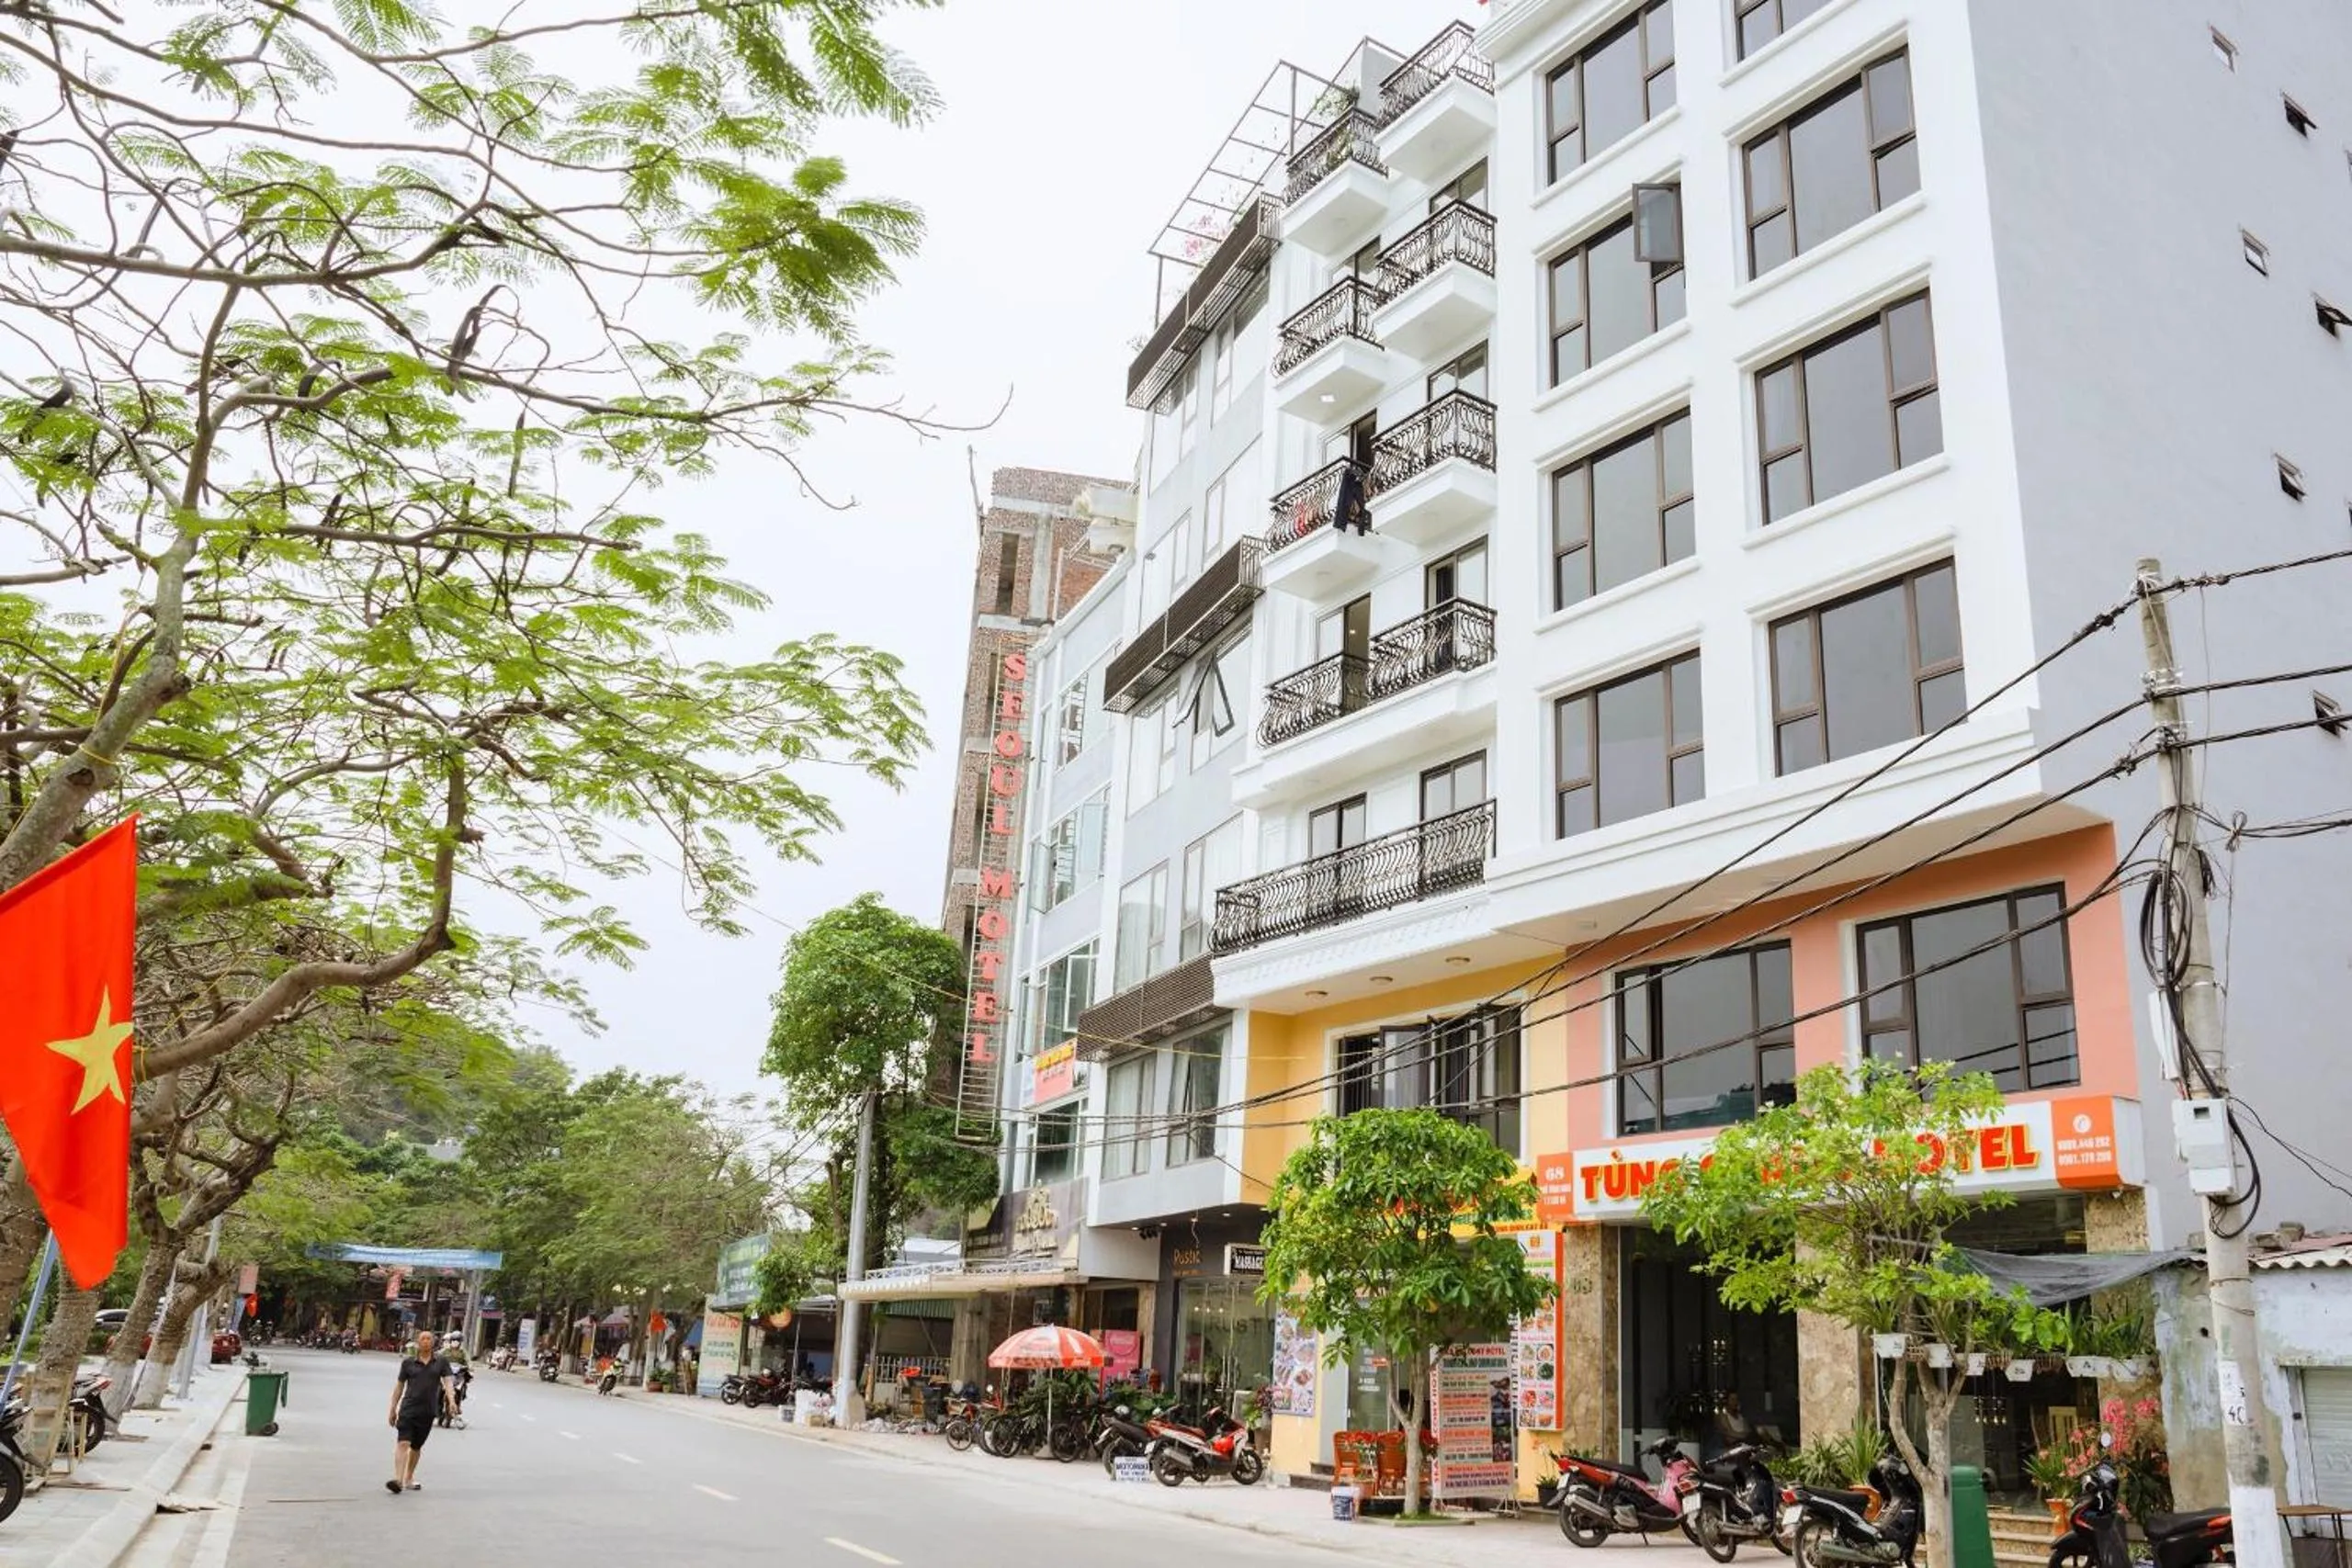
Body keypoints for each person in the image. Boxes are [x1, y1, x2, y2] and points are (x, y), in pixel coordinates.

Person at [387, 1329, 457, 1495]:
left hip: (427, 1410)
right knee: (403, 1443)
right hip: (408, 1408)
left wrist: (452, 1400)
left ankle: (409, 1477)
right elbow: (399, 1386)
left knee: (416, 1446)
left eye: (428, 1339)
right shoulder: (408, 1363)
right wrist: (393, 1408)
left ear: (433, 1342)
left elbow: (448, 1382)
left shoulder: (441, 1362)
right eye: (423, 1339)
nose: (425, 1341)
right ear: (418, 1343)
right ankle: (398, 1480)